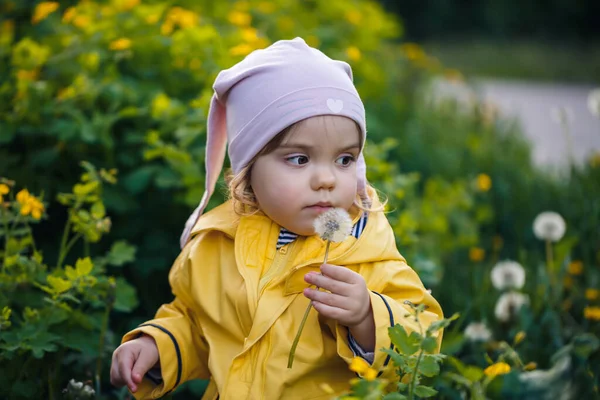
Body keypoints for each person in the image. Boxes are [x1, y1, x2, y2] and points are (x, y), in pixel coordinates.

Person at [110, 37, 443, 400]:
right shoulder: (218, 244)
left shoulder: (365, 252)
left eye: (344, 159)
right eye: (299, 159)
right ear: (248, 171)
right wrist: (158, 345)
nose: (327, 179)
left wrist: (367, 316)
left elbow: (423, 337)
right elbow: (198, 325)